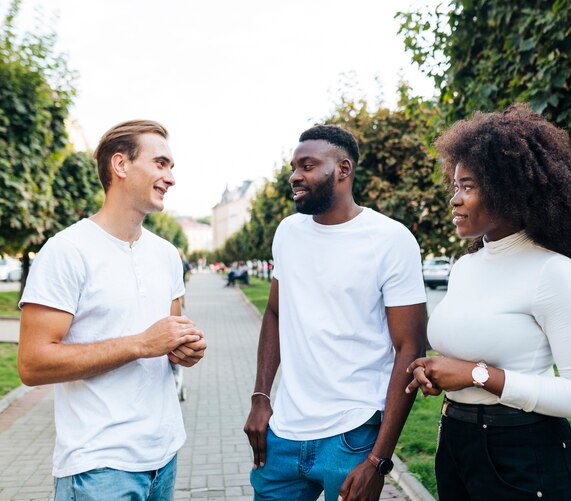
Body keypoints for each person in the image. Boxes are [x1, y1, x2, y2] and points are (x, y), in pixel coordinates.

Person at [406, 104, 571, 500]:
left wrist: (476, 376)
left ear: (508, 190)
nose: (454, 199)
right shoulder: (465, 267)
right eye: (454, 186)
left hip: (525, 456)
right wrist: (436, 371)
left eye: (468, 186)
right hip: (456, 442)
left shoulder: (552, 271)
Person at [18, 120, 207, 500]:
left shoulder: (168, 255)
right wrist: (140, 344)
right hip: (98, 467)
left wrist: (184, 350)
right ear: (120, 165)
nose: (170, 177)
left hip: (164, 455)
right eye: (161, 163)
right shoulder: (66, 251)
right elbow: (32, 364)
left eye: (171, 167)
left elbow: (167, 338)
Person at [244, 124, 428, 500]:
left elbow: (409, 348)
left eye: (307, 165)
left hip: (352, 435)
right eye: (293, 167)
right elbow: (275, 314)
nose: (295, 176)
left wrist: (379, 460)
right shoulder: (288, 233)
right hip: (284, 433)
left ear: (343, 170)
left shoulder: (391, 240)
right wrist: (261, 397)